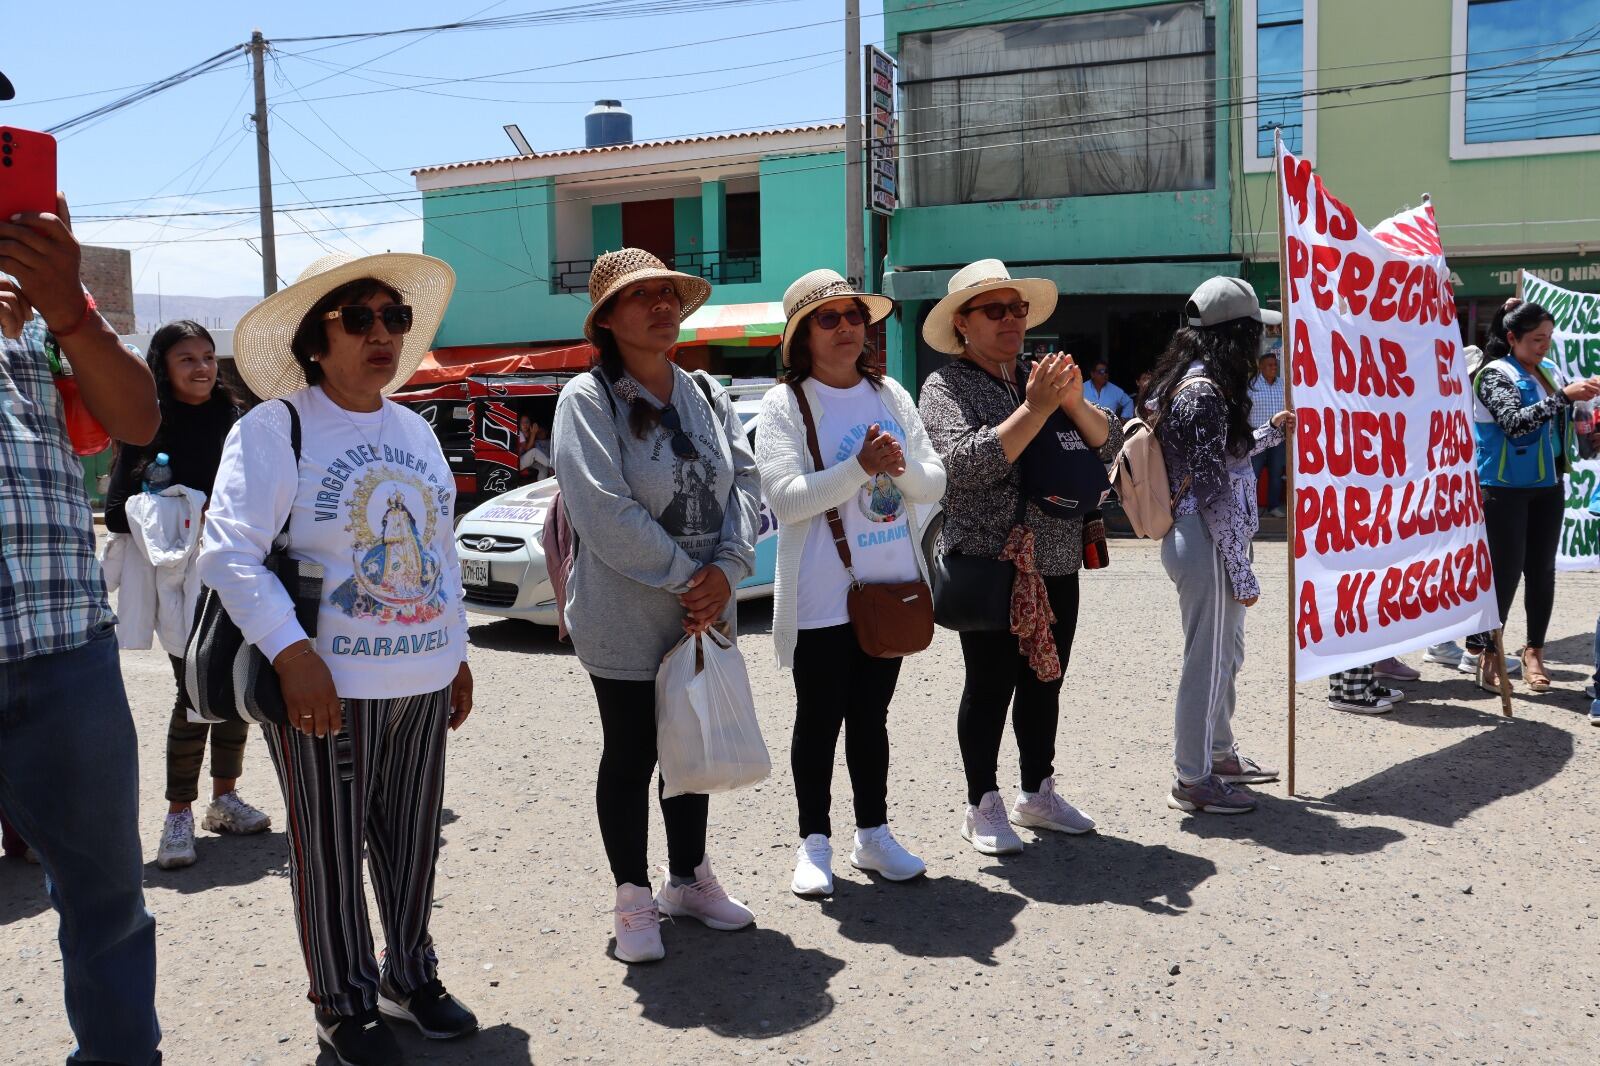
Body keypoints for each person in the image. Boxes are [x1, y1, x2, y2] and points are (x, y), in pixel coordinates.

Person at [198, 252, 478, 1065]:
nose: (382, 333)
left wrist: (455, 651)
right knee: (328, 849)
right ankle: (344, 1000)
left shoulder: (416, 431)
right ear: (315, 343)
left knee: (413, 841)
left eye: (393, 317)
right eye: (357, 318)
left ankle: (409, 975)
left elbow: (439, 553)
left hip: (421, 676)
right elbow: (230, 553)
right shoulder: (277, 426)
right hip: (328, 685)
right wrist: (293, 654)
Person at [551, 249, 760, 963]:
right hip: (627, 615)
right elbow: (601, 509)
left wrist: (728, 569)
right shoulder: (587, 399)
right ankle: (633, 896)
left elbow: (746, 484)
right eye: (641, 297)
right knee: (634, 749)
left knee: (691, 745)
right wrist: (688, 578)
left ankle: (689, 878)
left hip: (706, 606)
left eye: (669, 293)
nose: (661, 306)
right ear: (607, 318)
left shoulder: (705, 389)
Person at [1, 195, 163, 1063]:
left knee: (108, 908)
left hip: (66, 646)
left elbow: (137, 421)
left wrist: (67, 306)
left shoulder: (38, 294)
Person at [918, 259, 1123, 855]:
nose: (1012, 319)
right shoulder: (946, 387)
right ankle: (981, 803)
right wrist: (1035, 409)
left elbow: (1106, 442)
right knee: (989, 685)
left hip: (1055, 555)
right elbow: (962, 466)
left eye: (1018, 308)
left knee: (1045, 681)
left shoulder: (1038, 376)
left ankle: (1038, 792)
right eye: (994, 310)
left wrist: (1074, 402)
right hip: (993, 559)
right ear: (963, 324)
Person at [755, 269, 946, 896]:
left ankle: (874, 835)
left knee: (872, 718)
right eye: (828, 318)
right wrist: (858, 467)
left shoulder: (889, 392)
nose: (846, 328)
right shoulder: (787, 404)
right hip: (819, 596)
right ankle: (814, 843)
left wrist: (894, 469)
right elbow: (784, 500)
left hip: (886, 588)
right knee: (819, 719)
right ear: (801, 337)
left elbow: (933, 481)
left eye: (853, 315)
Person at [103, 321, 271, 870]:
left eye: (207, 357)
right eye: (187, 359)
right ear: (163, 367)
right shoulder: (145, 422)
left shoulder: (237, 419)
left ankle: (224, 799)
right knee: (194, 693)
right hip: (180, 582)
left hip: (240, 572)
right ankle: (178, 814)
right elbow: (115, 509)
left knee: (238, 685)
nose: (202, 368)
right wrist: (175, 505)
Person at [1142, 277, 1290, 816]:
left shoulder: (1194, 381)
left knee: (1225, 654)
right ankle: (1192, 777)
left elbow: (1228, 458)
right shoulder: (1203, 392)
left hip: (1206, 537)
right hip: (1206, 538)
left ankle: (1219, 754)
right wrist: (1242, 570)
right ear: (1236, 335)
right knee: (1206, 661)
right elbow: (1213, 493)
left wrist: (1271, 432)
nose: (1263, 346)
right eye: (1256, 334)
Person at [1467, 299, 1600, 693]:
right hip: (1504, 489)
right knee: (1504, 575)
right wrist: (1565, 397)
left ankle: (1534, 652)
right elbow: (1514, 424)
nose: (1545, 346)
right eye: (1537, 339)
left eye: (1549, 338)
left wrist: (1588, 433)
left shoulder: (1550, 370)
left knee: (1541, 572)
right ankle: (1490, 654)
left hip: (1548, 486)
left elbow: (1560, 425)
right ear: (1512, 338)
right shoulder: (1494, 374)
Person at [1246, 350, 1287, 517]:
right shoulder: (1251, 386)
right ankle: (1250, 508)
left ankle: (1274, 506)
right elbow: (1244, 411)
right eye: (1269, 365)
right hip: (1256, 436)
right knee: (1252, 474)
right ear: (1261, 367)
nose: (1273, 368)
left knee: (1276, 473)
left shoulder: (1283, 385)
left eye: (1275, 365)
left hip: (1278, 437)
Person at [1327, 665, 1404, 715]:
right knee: (1351, 645)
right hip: (1346, 694)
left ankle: (1366, 687)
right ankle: (1347, 695)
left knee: (1366, 644)